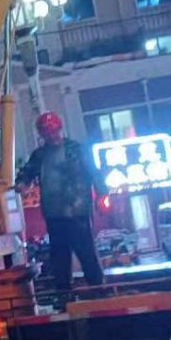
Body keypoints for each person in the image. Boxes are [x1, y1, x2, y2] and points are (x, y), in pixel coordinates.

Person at [17, 112, 107, 294]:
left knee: (86, 252)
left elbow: (93, 171)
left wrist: (102, 194)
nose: (50, 136)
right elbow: (27, 172)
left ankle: (98, 290)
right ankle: (64, 294)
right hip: (54, 212)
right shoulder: (40, 155)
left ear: (59, 129)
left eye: (53, 131)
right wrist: (22, 183)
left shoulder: (76, 149)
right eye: (46, 133)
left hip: (77, 210)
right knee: (60, 256)